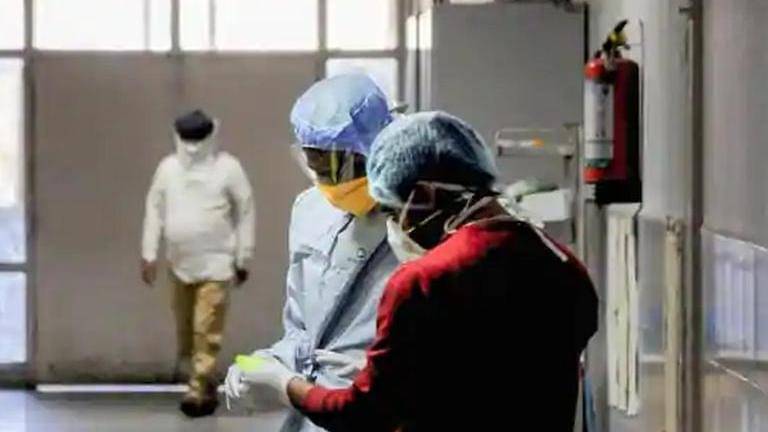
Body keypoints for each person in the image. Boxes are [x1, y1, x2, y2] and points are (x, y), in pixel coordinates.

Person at [229, 112, 599, 431]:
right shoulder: (565, 266)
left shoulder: (425, 280)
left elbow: (364, 414)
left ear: (423, 197)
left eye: (393, 212)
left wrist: (285, 385)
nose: (398, 228)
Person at [224, 74, 399, 431]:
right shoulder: (309, 211)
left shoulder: (416, 218)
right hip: (315, 408)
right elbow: (303, 331)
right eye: (317, 165)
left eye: (340, 165)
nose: (330, 182)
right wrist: (266, 365)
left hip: (384, 409)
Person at [141, 109, 255, 418]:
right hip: (178, 264)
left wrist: (243, 256)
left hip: (217, 264)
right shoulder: (168, 169)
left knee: (206, 329)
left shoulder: (228, 169)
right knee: (187, 332)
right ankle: (206, 382)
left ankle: (197, 388)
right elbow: (155, 210)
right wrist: (149, 253)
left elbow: (245, 210)